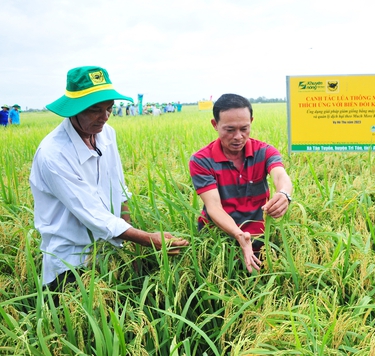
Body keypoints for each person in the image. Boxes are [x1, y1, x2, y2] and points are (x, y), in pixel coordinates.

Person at [29, 66, 188, 291]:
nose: (104, 117)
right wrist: (146, 239)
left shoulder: (106, 134)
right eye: (95, 109)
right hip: (70, 260)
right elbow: (91, 212)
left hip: (109, 250)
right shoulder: (53, 154)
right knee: (76, 320)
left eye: (110, 108)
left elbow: (118, 187)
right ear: (74, 109)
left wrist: (129, 240)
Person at [189, 93, 293, 273]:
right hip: (216, 238)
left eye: (244, 128)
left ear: (251, 121)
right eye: (229, 130)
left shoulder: (264, 151)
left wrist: (284, 193)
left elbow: (280, 175)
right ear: (215, 125)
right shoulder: (201, 160)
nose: (238, 136)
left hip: (259, 234)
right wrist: (238, 235)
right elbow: (213, 207)